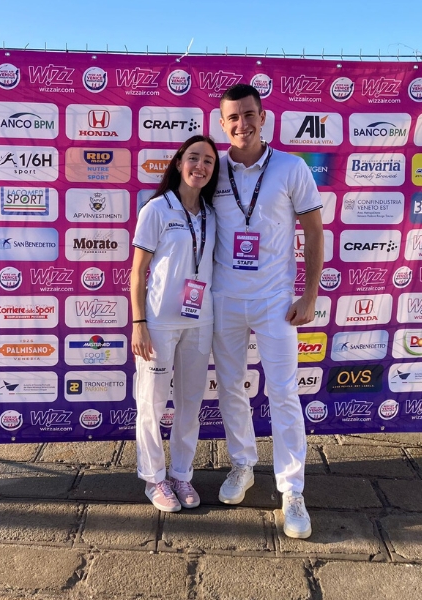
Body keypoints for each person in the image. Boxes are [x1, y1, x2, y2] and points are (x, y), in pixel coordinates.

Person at [211, 84, 324, 538]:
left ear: (263, 117)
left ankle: (292, 489)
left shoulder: (291, 168)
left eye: (249, 115)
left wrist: (309, 296)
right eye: (233, 118)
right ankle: (242, 465)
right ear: (222, 124)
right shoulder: (212, 169)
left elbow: (314, 232)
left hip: (276, 301)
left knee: (283, 393)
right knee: (230, 389)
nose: (242, 124)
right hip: (224, 299)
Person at [130, 135, 220, 512]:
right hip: (160, 323)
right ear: (180, 162)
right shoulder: (157, 209)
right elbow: (137, 272)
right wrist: (139, 322)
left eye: (209, 161)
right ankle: (154, 478)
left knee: (189, 404)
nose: (200, 166)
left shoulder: (212, 214)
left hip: (199, 322)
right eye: (194, 158)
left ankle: (181, 473)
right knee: (151, 403)